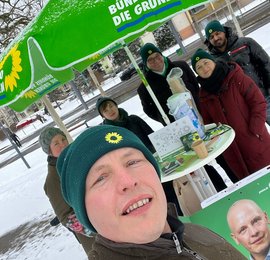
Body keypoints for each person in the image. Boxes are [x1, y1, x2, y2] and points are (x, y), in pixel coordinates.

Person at [57, 125, 246, 259]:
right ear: (85, 213)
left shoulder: (195, 231)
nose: (128, 182)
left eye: (132, 162)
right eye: (101, 178)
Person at [191, 48, 270, 179]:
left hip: (254, 140)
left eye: (206, 62)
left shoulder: (235, 77)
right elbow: (209, 123)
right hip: (232, 150)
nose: (204, 68)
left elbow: (258, 102)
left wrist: (255, 129)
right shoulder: (203, 95)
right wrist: (219, 142)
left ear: (213, 61)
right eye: (199, 67)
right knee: (251, 187)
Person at [95, 96, 182, 215]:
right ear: (103, 115)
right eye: (105, 110)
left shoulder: (134, 120)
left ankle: (180, 216)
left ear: (116, 105)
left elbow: (152, 138)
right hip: (133, 171)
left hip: (152, 161)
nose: (110, 110)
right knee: (151, 197)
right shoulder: (107, 133)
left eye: (111, 106)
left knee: (169, 192)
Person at [39, 127, 94, 256]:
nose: (63, 144)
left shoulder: (75, 161)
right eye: (56, 143)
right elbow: (66, 217)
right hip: (96, 238)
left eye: (63, 139)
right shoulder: (53, 179)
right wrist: (95, 230)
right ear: (49, 150)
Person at [204, 20, 270, 123]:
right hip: (244, 107)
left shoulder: (245, 43)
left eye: (217, 33)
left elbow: (266, 64)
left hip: (264, 96)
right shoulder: (213, 62)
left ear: (224, 32)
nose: (216, 38)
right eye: (211, 37)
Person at [137, 43, 200, 126]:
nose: (155, 60)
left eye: (157, 56)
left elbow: (195, 86)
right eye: (150, 59)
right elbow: (149, 110)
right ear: (146, 64)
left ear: (161, 55)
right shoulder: (145, 88)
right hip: (176, 126)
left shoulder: (181, 66)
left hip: (198, 113)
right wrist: (164, 118)